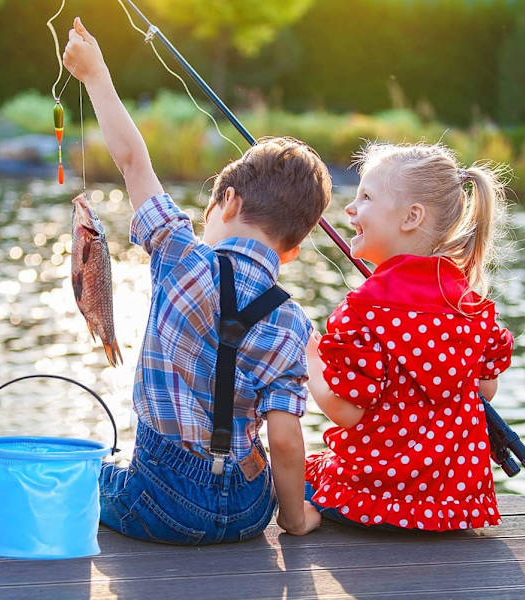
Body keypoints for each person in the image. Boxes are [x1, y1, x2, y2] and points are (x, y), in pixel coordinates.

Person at [63, 17, 330, 544]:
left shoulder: (183, 256)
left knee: (86, 475)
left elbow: (132, 160)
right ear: (294, 252)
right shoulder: (293, 322)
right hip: (250, 510)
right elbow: (285, 438)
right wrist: (294, 519)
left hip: (162, 500)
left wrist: (95, 75)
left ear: (226, 201)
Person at [304, 142, 514, 531]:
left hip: (371, 499)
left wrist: (311, 357)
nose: (351, 209)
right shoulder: (471, 307)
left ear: (411, 216)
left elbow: (345, 411)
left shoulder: (362, 311)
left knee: (290, 475)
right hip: (454, 509)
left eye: (365, 197)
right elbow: (485, 390)